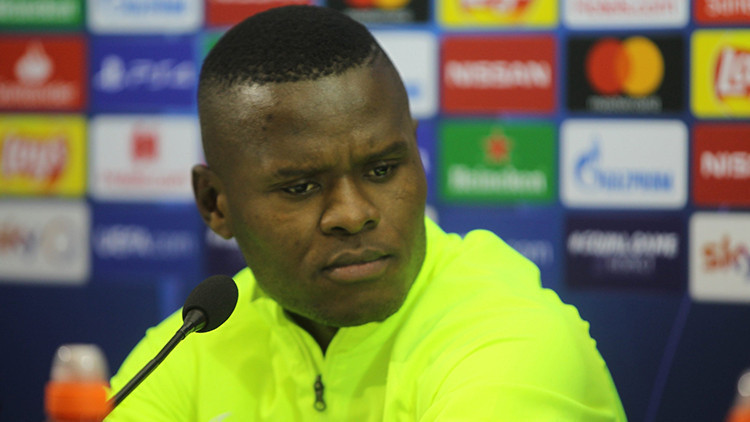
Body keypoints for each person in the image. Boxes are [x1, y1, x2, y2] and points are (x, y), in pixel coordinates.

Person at [106, 5, 627, 421]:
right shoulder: (192, 343)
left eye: (381, 169)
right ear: (215, 204)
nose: (353, 214)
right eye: (301, 186)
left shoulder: (510, 335)